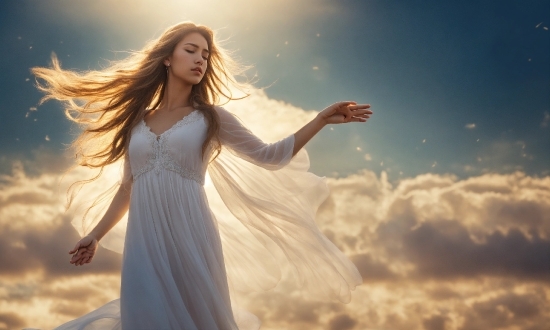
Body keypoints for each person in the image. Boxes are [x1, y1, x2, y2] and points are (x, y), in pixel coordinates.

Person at [32, 21, 372, 330]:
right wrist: (95, 234)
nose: (200, 60)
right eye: (191, 50)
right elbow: (127, 187)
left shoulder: (212, 118)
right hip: (145, 242)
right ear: (167, 58)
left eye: (206, 55)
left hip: (192, 235)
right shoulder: (137, 122)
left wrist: (320, 120)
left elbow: (271, 156)